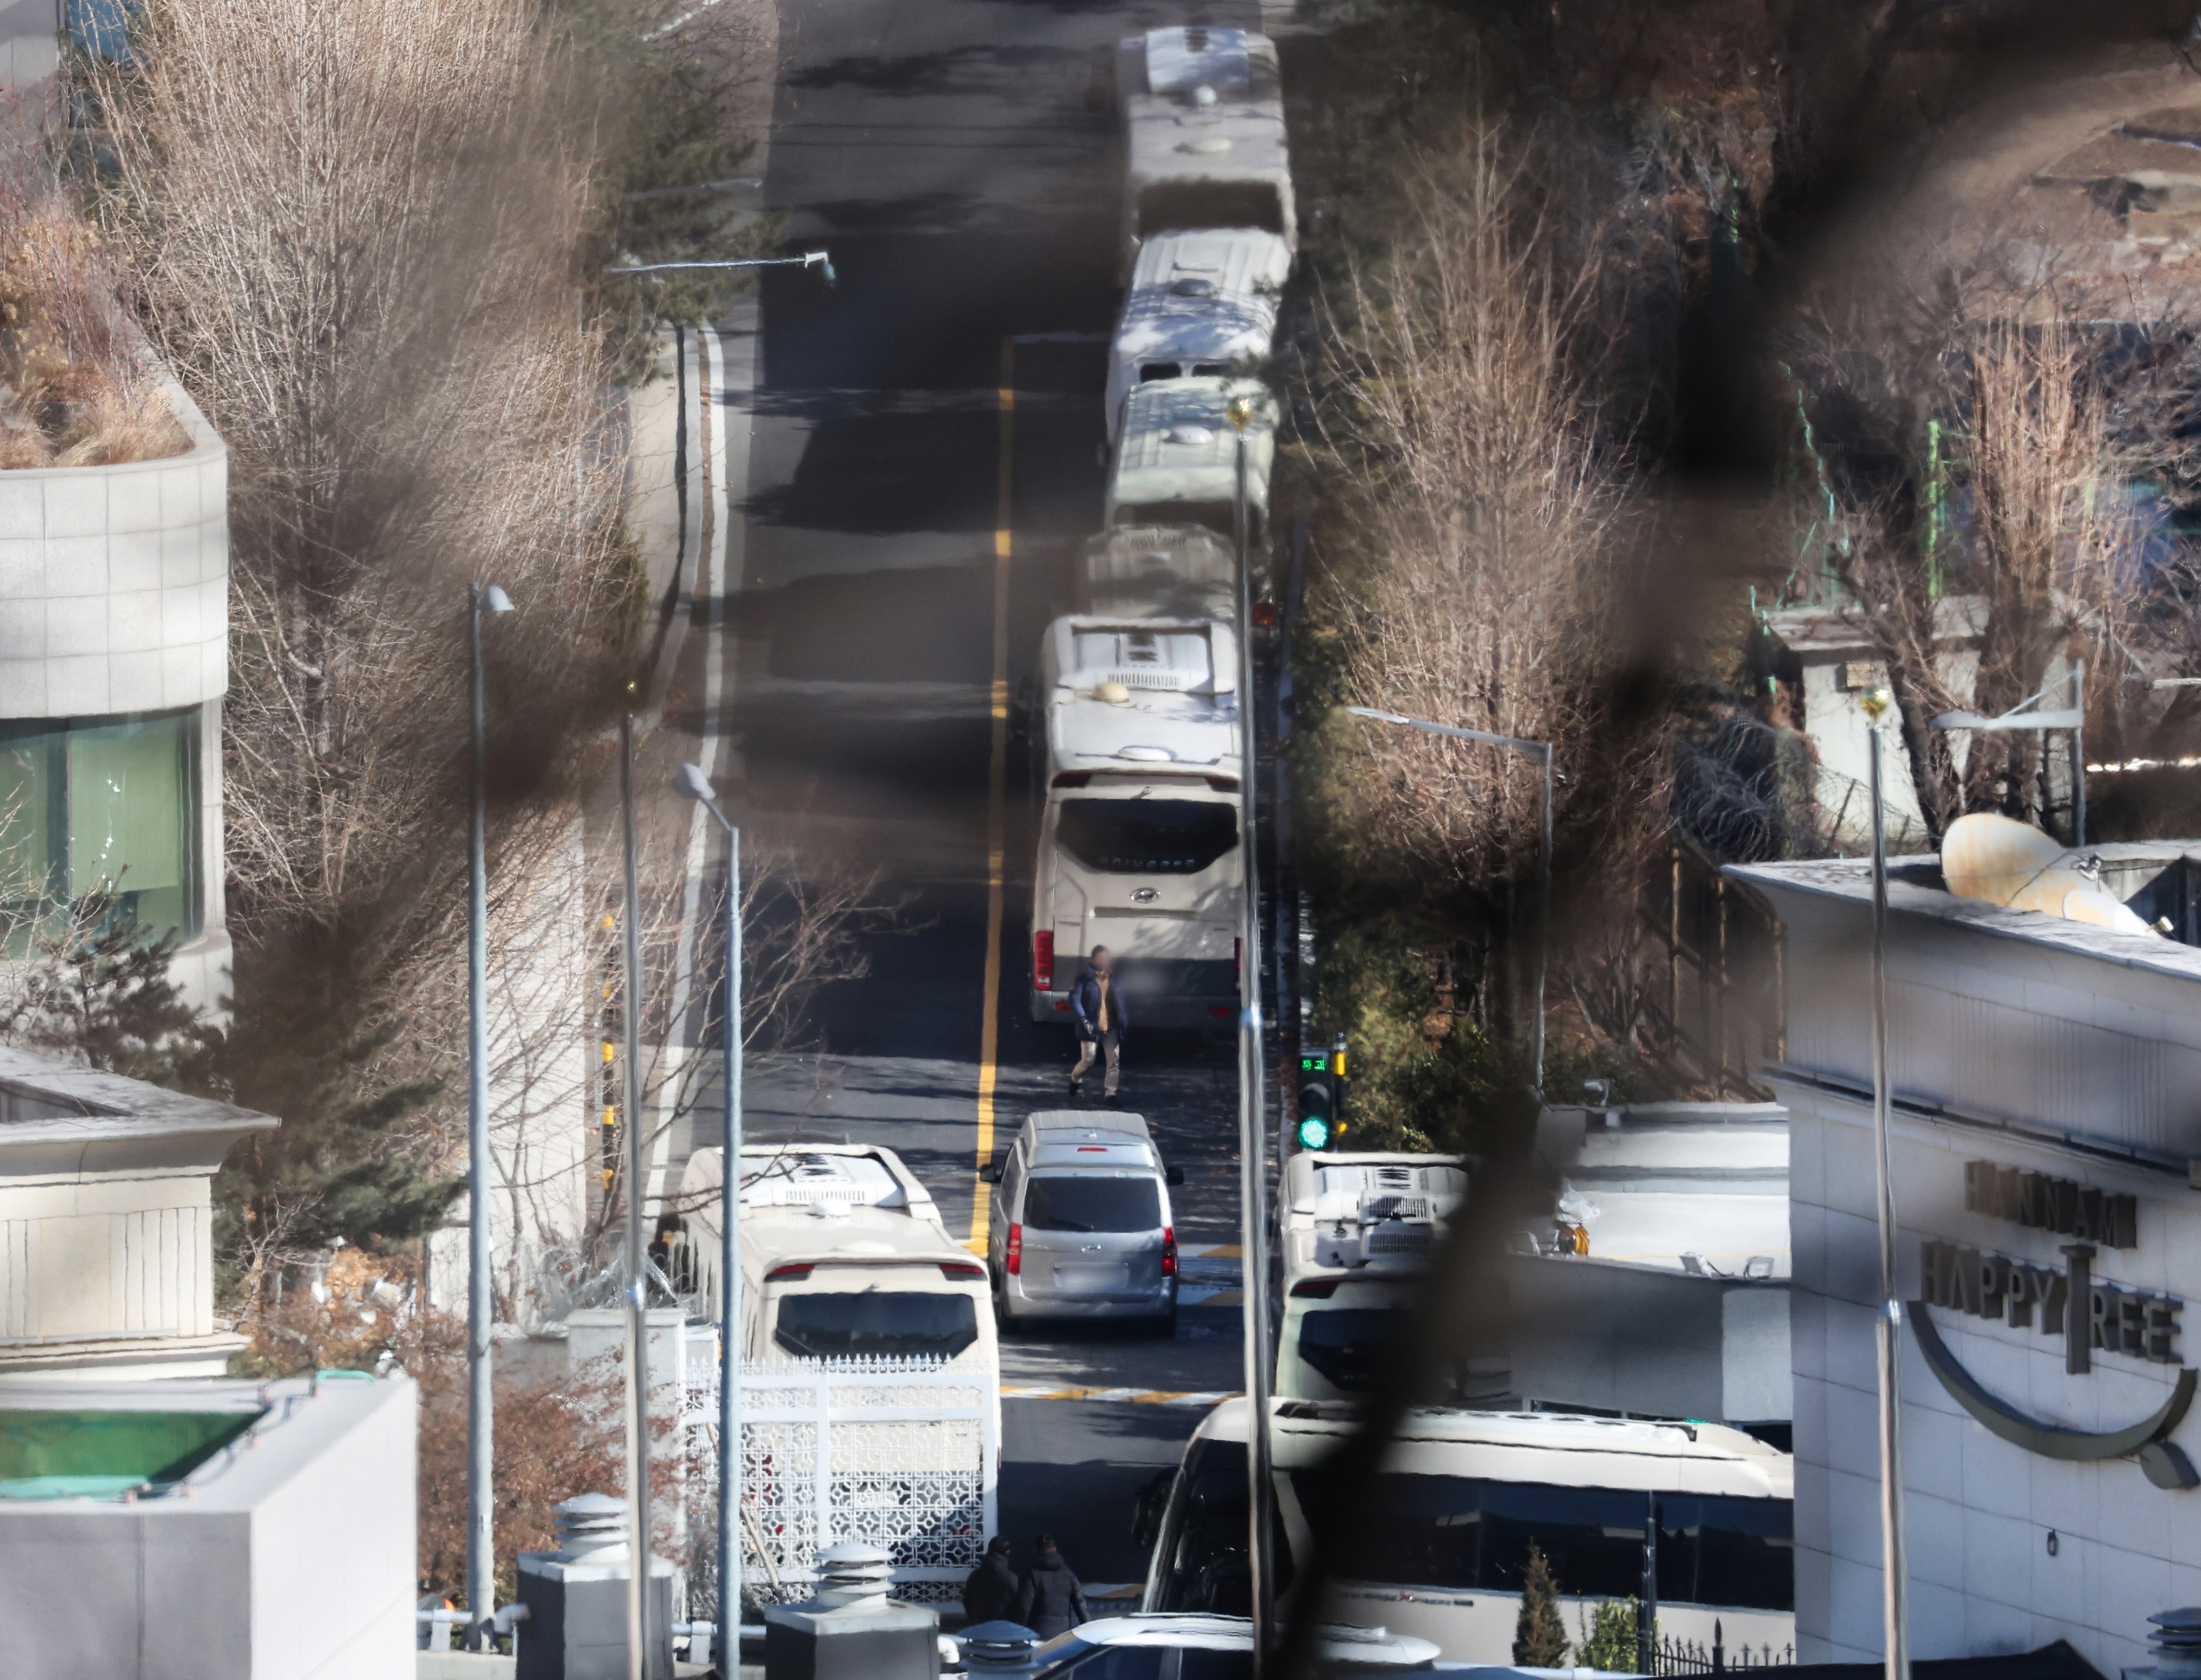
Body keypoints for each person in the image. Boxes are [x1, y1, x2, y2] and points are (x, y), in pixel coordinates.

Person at [1069, 946, 1125, 1098]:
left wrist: (1123, 1019)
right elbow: (1075, 999)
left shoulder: (1114, 977)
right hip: (1091, 1026)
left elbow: (1120, 1000)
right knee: (1088, 1060)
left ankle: (1111, 1093)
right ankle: (1076, 1077)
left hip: (1111, 1025)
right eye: (1100, 958)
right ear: (1094, 960)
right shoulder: (1084, 977)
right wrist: (1083, 1018)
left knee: (1113, 1061)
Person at [1012, 1532, 1093, 1639]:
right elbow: (1080, 1603)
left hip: (1037, 1631)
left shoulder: (1032, 1574)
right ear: (1055, 1549)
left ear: (1036, 1550)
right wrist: (1089, 1629)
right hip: (1062, 1634)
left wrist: (1017, 1632)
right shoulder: (1069, 1574)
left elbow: (1024, 1606)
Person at [962, 1534, 1020, 1626]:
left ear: (988, 1551)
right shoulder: (1011, 1577)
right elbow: (1018, 1604)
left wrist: (973, 1620)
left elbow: (967, 1600)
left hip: (980, 1626)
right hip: (1004, 1627)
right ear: (1008, 1553)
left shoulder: (975, 1575)